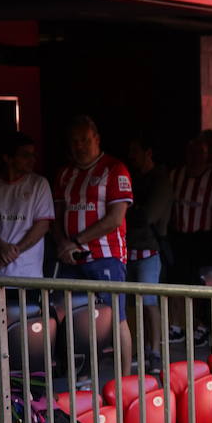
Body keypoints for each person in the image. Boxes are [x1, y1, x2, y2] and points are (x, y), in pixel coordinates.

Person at [52, 115, 133, 372]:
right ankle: (67, 372)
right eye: (74, 141)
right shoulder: (65, 173)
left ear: (96, 139)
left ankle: (125, 380)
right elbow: (55, 215)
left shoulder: (115, 169)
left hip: (105, 256)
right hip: (69, 258)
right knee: (60, 313)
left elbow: (115, 218)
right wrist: (64, 244)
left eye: (85, 140)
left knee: (116, 318)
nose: (80, 146)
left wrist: (76, 241)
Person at [124, 131, 174, 368]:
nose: (131, 156)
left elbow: (148, 216)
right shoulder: (131, 177)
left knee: (149, 301)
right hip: (127, 249)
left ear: (148, 153)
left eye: (135, 151)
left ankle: (155, 351)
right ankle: (139, 349)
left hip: (149, 251)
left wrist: (122, 212)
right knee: (131, 304)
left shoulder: (160, 179)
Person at [0, 131, 54, 280]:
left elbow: (42, 225)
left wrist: (12, 253)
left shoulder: (39, 184)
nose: (32, 160)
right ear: (7, 158)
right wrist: (1, 246)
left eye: (33, 155)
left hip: (27, 273)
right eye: (25, 155)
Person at [170, 134, 212, 284]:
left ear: (206, 155)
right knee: (180, 278)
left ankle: (202, 308)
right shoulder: (175, 175)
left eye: (199, 153)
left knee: (202, 280)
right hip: (179, 238)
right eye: (191, 152)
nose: (194, 157)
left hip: (204, 239)